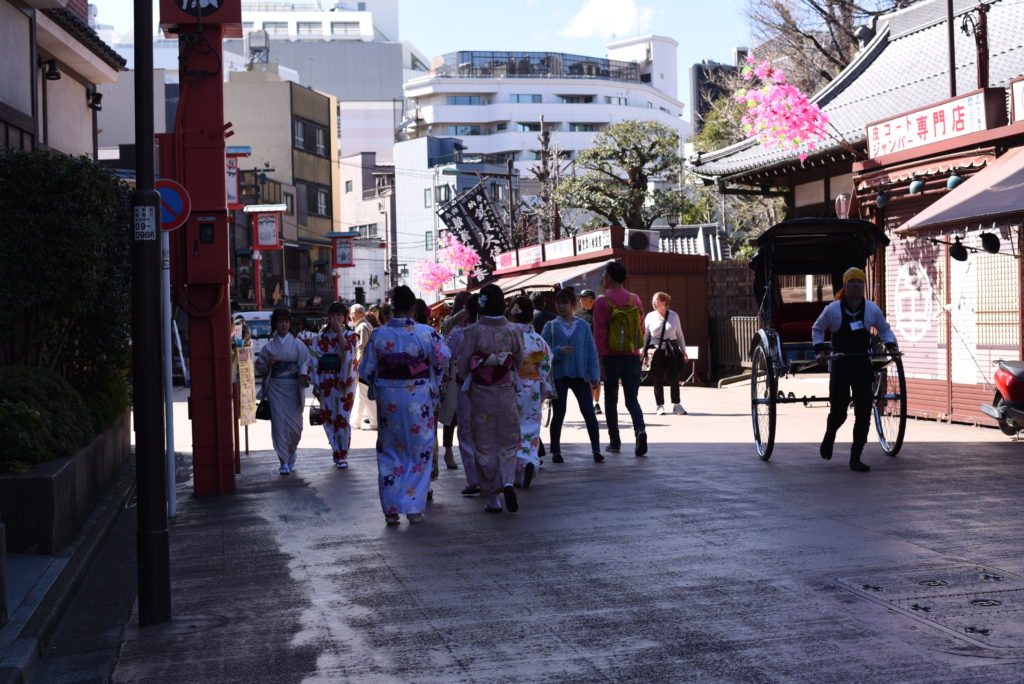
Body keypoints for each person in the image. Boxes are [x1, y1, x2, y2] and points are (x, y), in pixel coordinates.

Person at [358, 286, 449, 524]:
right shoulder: (425, 333)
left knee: (390, 450)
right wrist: (434, 380)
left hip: (389, 398)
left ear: (391, 307)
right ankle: (413, 508)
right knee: (419, 451)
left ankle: (390, 510)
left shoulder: (378, 335)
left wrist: (382, 382)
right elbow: (442, 360)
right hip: (418, 396)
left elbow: (366, 371)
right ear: (412, 308)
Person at [812, 267, 898, 473]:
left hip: (862, 365)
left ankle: (855, 458)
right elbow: (817, 328)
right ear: (845, 285)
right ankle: (830, 433)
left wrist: (891, 345)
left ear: (864, 286)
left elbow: (884, 329)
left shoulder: (871, 309)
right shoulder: (833, 309)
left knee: (864, 414)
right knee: (839, 412)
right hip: (840, 365)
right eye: (852, 282)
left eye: (860, 282)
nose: (857, 286)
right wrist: (819, 349)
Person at [458, 283, 524, 513]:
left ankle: (493, 498)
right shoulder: (514, 330)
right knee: (507, 439)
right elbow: (518, 359)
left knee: (485, 444)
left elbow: (463, 365)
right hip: (505, 390)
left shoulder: (473, 331)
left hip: (481, 392)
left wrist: (477, 372)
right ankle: (507, 480)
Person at [593, 261, 648, 457]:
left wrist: (599, 363)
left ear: (608, 277)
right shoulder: (635, 299)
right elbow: (641, 329)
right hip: (632, 356)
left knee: (611, 401)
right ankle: (640, 430)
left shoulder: (601, 302)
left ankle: (615, 441)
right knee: (632, 400)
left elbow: (599, 335)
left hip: (610, 358)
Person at [542, 288, 603, 464]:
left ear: (573, 305)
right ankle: (555, 451)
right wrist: (557, 351)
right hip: (559, 375)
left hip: (580, 375)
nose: (562, 306)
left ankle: (596, 449)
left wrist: (594, 375)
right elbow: (542, 352)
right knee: (559, 413)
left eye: (566, 303)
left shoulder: (583, 326)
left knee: (588, 412)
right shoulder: (551, 326)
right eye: (559, 303)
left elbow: (591, 351)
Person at [254, 308, 311, 475]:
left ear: (290, 323)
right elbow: (259, 366)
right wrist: (269, 365)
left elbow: (307, 363)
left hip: (293, 387)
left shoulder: (298, 345)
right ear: (275, 324)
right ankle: (283, 460)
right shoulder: (269, 347)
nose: (283, 325)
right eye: (280, 321)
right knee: (278, 425)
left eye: (286, 321)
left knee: (295, 427)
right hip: (276, 388)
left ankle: (291, 451)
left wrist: (303, 372)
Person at [508, 296, 554, 487]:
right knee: (529, 429)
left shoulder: (507, 337)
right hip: (531, 388)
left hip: (509, 387)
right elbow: (545, 364)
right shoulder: (537, 340)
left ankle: (514, 471)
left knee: (511, 430)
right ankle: (528, 462)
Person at [309, 302, 357, 469]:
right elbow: (314, 357)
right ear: (328, 317)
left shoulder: (350, 335)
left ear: (345, 318)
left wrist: (339, 333)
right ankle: (335, 449)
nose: (336, 319)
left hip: (344, 382)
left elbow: (349, 354)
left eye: (339, 316)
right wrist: (315, 382)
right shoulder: (320, 338)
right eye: (333, 316)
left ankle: (342, 453)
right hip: (325, 380)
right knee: (328, 417)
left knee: (342, 417)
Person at [448, 294, 481, 494]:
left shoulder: (461, 332)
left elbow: (447, 353)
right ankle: (499, 477)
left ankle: (474, 478)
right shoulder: (503, 331)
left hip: (466, 386)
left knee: (467, 432)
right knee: (491, 432)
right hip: (496, 388)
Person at [644, 292, 689, 416]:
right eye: (652, 301)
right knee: (657, 378)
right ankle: (659, 405)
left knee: (674, 377)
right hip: (656, 351)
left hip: (672, 350)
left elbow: (679, 334)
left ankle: (677, 404)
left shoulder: (674, 315)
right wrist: (642, 350)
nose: (653, 303)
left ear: (664, 302)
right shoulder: (650, 316)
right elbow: (645, 335)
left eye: (656, 301)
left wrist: (684, 350)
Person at [350, 304, 377, 431]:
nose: (351, 315)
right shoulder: (364, 325)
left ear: (360, 313)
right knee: (361, 394)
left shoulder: (362, 327)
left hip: (365, 366)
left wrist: (357, 367)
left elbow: (361, 348)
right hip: (368, 364)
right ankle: (355, 421)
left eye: (353, 313)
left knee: (365, 394)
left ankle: (375, 421)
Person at [576, 289, 602, 414]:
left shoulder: (600, 312)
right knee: (586, 379)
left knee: (596, 377)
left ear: (591, 300)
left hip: (598, 350)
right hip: (583, 350)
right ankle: (590, 402)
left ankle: (596, 403)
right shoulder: (578, 313)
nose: (581, 301)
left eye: (584, 298)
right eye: (581, 298)